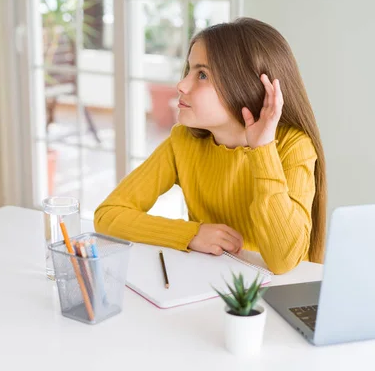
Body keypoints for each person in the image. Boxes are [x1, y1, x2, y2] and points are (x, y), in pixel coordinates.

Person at [94, 17, 327, 274]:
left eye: (202, 74)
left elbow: (283, 261)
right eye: (189, 70)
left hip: (270, 295)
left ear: (246, 86)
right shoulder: (183, 141)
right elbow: (109, 215)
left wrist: (263, 150)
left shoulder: (295, 148)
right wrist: (191, 234)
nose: (181, 85)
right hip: (206, 283)